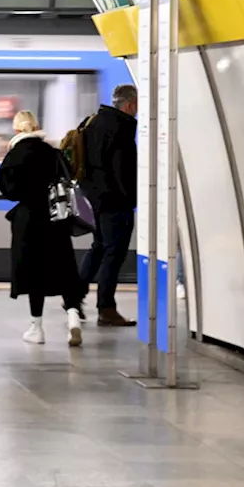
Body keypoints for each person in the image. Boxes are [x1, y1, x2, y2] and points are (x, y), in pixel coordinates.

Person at [0, 111, 85, 346]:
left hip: (28, 221)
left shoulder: (14, 155)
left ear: (16, 131)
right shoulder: (53, 153)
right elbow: (70, 179)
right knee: (65, 266)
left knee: (35, 272)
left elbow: (7, 190)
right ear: (37, 127)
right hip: (56, 218)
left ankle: (37, 328)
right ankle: (74, 315)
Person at [78, 83, 139, 326]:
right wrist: (132, 199)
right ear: (130, 104)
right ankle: (106, 308)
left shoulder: (93, 122)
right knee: (113, 254)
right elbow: (122, 170)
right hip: (116, 202)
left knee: (100, 247)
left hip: (96, 199)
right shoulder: (121, 128)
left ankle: (74, 296)